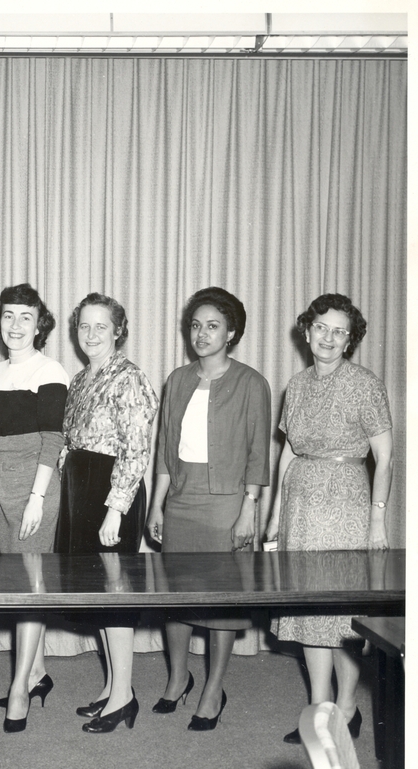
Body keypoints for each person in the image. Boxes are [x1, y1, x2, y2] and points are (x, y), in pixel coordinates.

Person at [265, 293, 392, 745]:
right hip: (301, 499)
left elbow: (386, 455)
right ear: (307, 330)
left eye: (340, 331)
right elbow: (288, 452)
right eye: (322, 327)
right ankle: (319, 708)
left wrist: (377, 521)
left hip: (345, 500)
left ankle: (349, 705)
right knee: (309, 609)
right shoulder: (296, 386)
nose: (329, 337)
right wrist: (276, 513)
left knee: (343, 614)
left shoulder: (363, 383)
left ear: (350, 339)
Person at [146, 287, 271, 732]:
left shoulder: (251, 382)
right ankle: (178, 678)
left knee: (221, 603)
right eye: (196, 325)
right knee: (176, 599)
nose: (201, 334)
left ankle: (213, 688)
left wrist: (248, 508)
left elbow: (258, 454)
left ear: (231, 332)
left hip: (227, 502)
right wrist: (157, 506)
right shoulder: (177, 380)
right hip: (181, 499)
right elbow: (164, 451)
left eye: (212, 326)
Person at [56, 294, 158, 734]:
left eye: (101, 326)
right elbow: (72, 438)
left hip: (113, 488)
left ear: (118, 331)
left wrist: (115, 509)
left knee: (114, 594)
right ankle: (113, 686)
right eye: (84, 326)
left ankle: (124, 696)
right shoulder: (81, 379)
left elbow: (135, 449)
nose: (91, 334)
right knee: (96, 593)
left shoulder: (129, 377)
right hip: (81, 486)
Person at [0, 284, 69, 733]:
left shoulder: (49, 369)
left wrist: (37, 496)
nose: (15, 326)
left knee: (30, 586)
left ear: (40, 325)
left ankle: (19, 689)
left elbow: (53, 441)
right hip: (1, 481)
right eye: (8, 316)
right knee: (19, 581)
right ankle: (36, 674)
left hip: (37, 483)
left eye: (26, 318)